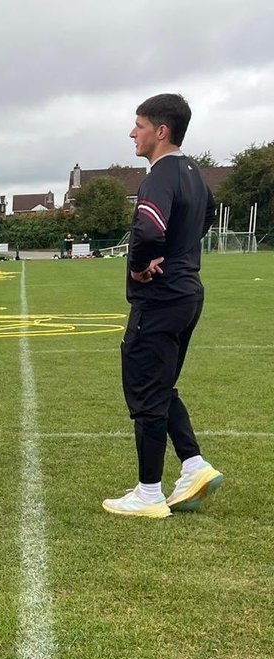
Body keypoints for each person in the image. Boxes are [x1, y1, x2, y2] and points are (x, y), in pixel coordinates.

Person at [103, 93, 222, 518]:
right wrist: (179, 250)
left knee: (145, 391)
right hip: (188, 294)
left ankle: (149, 493)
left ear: (161, 131)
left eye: (138, 125)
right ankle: (193, 464)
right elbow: (206, 216)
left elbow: (149, 228)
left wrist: (139, 266)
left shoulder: (160, 174)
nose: (132, 133)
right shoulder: (194, 173)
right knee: (161, 385)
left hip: (160, 300)